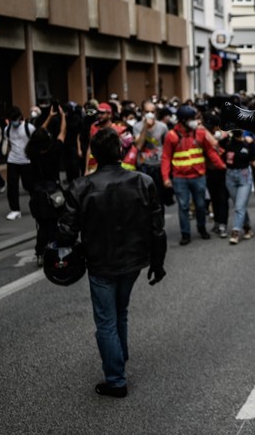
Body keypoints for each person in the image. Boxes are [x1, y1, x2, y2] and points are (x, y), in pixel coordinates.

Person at [57, 127, 166, 398]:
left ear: (93, 154)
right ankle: (119, 359)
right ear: (120, 151)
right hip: (133, 261)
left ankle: (116, 379)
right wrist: (157, 262)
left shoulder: (80, 187)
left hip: (100, 262)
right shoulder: (143, 182)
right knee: (121, 312)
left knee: (107, 320)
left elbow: (66, 233)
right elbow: (157, 228)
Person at [161, 105, 225, 245]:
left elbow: (210, 152)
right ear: (183, 120)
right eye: (192, 119)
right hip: (180, 178)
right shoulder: (171, 136)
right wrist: (165, 178)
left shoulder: (200, 133)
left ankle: (201, 228)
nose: (195, 121)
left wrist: (221, 165)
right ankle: (185, 234)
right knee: (183, 206)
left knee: (201, 205)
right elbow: (165, 157)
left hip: (199, 176)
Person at [27, 105, 68, 266]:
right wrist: (62, 116)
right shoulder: (54, 151)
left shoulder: (32, 152)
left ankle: (40, 252)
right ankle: (54, 252)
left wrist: (49, 117)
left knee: (42, 227)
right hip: (53, 194)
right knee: (55, 224)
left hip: (37, 195)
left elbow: (38, 134)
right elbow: (63, 133)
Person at [222, 128, 255, 244]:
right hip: (230, 176)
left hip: (244, 176)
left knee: (239, 206)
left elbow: (253, 159)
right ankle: (247, 228)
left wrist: (251, 143)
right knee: (239, 205)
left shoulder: (248, 143)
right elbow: (216, 146)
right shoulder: (227, 142)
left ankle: (235, 231)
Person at [3, 107, 35, 221]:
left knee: (30, 186)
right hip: (12, 161)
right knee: (12, 187)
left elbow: (35, 142)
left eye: (14, 119)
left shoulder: (29, 128)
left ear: (19, 117)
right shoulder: (7, 129)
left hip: (27, 161)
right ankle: (15, 210)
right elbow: (9, 144)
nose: (13, 122)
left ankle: (36, 205)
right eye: (11, 119)